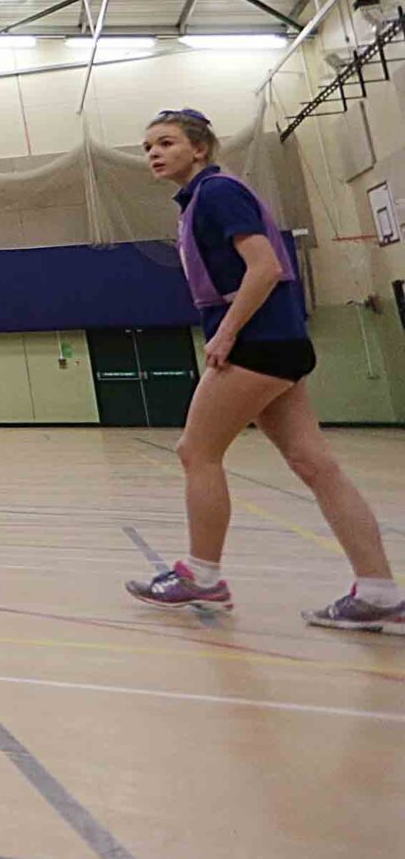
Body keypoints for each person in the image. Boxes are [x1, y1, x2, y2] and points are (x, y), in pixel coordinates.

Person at [125, 109, 401, 632]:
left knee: (196, 451)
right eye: (147, 147)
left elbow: (266, 266)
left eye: (166, 142)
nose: (154, 153)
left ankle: (202, 574)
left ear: (200, 149)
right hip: (279, 340)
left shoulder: (217, 193)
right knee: (314, 463)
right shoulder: (200, 198)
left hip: (258, 342)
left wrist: (227, 332)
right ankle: (379, 591)